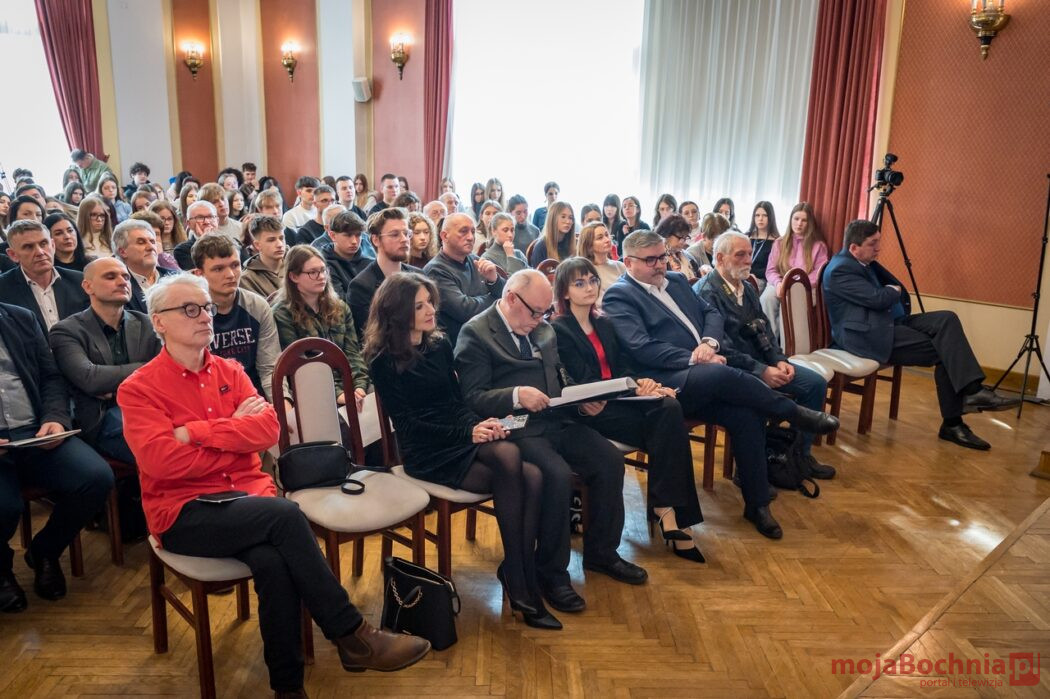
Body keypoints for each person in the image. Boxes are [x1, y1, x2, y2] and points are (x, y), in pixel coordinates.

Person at [116, 274, 430, 695]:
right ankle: (352, 634)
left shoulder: (230, 371)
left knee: (273, 562)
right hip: (186, 511)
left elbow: (267, 430)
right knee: (285, 515)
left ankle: (288, 687)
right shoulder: (139, 388)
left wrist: (196, 432)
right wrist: (234, 435)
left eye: (207, 307)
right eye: (190, 309)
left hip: (247, 500)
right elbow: (161, 462)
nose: (205, 316)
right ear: (159, 322)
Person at [601, 231, 840, 539]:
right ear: (628, 262)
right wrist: (695, 358)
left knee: (747, 414)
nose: (660, 264)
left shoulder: (675, 281)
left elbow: (711, 312)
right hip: (662, 382)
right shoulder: (620, 295)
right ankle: (792, 412)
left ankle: (757, 504)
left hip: (703, 374)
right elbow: (642, 347)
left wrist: (709, 343)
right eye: (651, 260)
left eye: (662, 256)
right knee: (718, 373)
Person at [365, 273, 559, 630]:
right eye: (419, 306)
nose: (430, 310)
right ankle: (520, 581)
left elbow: (456, 403)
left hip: (457, 435)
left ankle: (517, 572)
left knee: (531, 473)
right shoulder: (383, 360)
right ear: (398, 313)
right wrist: (468, 432)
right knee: (511, 458)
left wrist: (481, 423)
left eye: (430, 301)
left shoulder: (438, 344)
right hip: (426, 451)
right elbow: (408, 426)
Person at [455, 270, 648, 614]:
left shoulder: (543, 329)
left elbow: (560, 378)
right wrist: (517, 394)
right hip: (515, 427)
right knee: (555, 475)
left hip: (558, 418)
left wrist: (582, 400)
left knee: (609, 460)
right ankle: (551, 573)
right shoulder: (476, 332)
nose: (540, 320)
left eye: (545, 312)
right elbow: (472, 397)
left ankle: (602, 553)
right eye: (535, 312)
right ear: (511, 298)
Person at [551, 258, 705, 562]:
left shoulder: (604, 323)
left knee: (668, 406)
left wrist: (643, 384)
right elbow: (583, 379)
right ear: (565, 292)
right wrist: (631, 389)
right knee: (669, 427)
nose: (589, 288)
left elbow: (623, 367)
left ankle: (667, 510)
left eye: (592, 280)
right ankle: (671, 515)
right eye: (579, 283)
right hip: (592, 408)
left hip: (619, 401)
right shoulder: (559, 329)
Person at [823, 220, 1017, 450]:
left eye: (878, 242)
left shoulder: (861, 261)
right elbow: (878, 299)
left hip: (887, 322)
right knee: (945, 351)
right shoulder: (840, 269)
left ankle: (972, 392)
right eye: (873, 243)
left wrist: (889, 292)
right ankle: (954, 423)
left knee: (947, 319)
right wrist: (892, 290)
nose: (878, 248)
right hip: (867, 336)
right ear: (854, 248)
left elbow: (878, 297)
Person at [0, 298, 115, 613]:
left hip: (34, 431)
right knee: (5, 507)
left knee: (95, 478)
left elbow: (51, 376)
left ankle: (45, 551)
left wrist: (55, 418)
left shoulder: (19, 316)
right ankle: (1, 570)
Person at [695, 232, 836, 479]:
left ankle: (799, 457)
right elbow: (721, 348)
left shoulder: (748, 288)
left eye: (750, 254)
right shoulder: (706, 292)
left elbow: (764, 329)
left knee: (815, 384)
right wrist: (762, 371)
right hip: (731, 370)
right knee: (758, 397)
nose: (748, 260)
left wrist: (779, 360)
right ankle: (750, 471)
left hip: (762, 363)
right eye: (740, 255)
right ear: (720, 258)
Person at [49, 257, 161, 464]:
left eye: (126, 277)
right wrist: (147, 369)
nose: (122, 282)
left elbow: (167, 371)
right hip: (103, 417)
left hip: (152, 407)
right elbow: (90, 379)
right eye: (110, 277)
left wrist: (111, 382)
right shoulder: (66, 330)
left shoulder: (146, 322)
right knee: (160, 450)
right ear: (87, 286)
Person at [271, 245, 370, 409]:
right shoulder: (282, 314)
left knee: (377, 397)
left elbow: (353, 353)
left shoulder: (340, 307)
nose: (321, 276)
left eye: (324, 270)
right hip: (312, 389)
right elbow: (301, 366)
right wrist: (339, 394)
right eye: (313, 272)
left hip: (348, 382)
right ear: (294, 276)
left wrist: (359, 385)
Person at [192, 235, 280, 401]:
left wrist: (282, 408)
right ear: (200, 274)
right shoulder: (191, 314)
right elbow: (195, 377)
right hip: (212, 399)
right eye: (218, 269)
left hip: (255, 397)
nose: (230, 275)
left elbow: (269, 369)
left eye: (235, 265)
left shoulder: (257, 306)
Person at [424, 213, 505, 345]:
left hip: (487, 335)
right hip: (459, 342)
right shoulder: (436, 270)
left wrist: (493, 281)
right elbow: (466, 310)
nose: (470, 237)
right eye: (463, 231)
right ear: (444, 236)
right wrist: (498, 300)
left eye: (472, 231)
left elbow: (507, 293)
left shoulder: (476, 261)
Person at [0, 220, 89, 330]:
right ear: (13, 255)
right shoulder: (3, 289)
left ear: (53, 245)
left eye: (43, 244)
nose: (40, 252)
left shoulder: (80, 281)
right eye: (28, 247)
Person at [761, 202, 829, 346]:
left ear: (810, 223)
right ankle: (770, 345)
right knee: (767, 298)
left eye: (804, 220)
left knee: (789, 302)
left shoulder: (819, 246)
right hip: (780, 283)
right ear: (790, 219)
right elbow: (771, 270)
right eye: (796, 219)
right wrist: (779, 284)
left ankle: (787, 348)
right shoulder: (779, 243)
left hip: (806, 287)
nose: (799, 224)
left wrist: (793, 286)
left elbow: (818, 274)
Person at [348, 208, 422, 335]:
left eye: (406, 233)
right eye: (395, 234)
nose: (404, 239)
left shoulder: (420, 276)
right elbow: (371, 335)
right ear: (376, 240)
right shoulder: (361, 286)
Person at [112, 220, 177, 314]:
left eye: (152, 242)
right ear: (122, 252)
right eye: (141, 242)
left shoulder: (176, 278)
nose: (151, 247)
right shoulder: (118, 287)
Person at [315, 210, 374, 299]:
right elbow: (339, 300)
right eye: (348, 235)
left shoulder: (369, 262)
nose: (354, 241)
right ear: (332, 235)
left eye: (358, 235)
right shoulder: (323, 264)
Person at [240, 215, 286, 300]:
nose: (280, 244)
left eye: (281, 238)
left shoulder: (298, 265)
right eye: (271, 240)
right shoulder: (247, 279)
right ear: (257, 245)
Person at [576, 221, 625, 301]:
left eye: (606, 235)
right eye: (600, 238)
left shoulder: (620, 266)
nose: (607, 240)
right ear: (589, 246)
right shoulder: (585, 272)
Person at [655, 214, 702, 282]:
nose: (683, 242)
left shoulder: (688, 256)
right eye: (680, 237)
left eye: (685, 237)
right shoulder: (657, 259)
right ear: (666, 234)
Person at [173, 200, 219, 270]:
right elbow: (202, 273)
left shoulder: (230, 243)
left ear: (217, 221)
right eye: (200, 217)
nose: (206, 222)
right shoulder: (182, 250)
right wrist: (205, 242)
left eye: (210, 217)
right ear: (189, 224)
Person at [529, 201, 576, 267]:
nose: (568, 221)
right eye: (563, 217)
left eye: (570, 218)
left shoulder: (573, 244)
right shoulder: (541, 247)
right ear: (553, 219)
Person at [747, 201, 779, 290]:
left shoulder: (777, 241)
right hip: (743, 276)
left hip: (761, 280)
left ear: (771, 218)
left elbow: (773, 269)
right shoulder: (746, 237)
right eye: (757, 215)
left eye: (765, 215)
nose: (760, 219)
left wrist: (751, 274)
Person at [148, 200, 187, 270]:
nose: (166, 223)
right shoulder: (149, 244)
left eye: (170, 219)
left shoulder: (183, 242)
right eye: (162, 219)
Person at [76, 195, 114, 259]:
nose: (99, 219)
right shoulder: (76, 242)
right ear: (84, 216)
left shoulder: (112, 240)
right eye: (93, 215)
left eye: (102, 215)